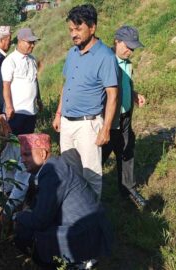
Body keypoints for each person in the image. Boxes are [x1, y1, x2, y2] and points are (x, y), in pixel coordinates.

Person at [51, 4, 119, 200]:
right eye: (71, 30)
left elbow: (112, 95)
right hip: (67, 123)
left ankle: (92, 216)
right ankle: (74, 208)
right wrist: (58, 113)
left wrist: (105, 129)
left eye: (78, 29)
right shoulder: (72, 53)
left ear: (93, 27)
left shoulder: (105, 57)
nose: (74, 34)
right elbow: (67, 85)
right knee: (70, 171)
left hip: (88, 124)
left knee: (91, 173)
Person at [14, 134, 112, 268]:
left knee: (27, 233)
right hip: (90, 227)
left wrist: (18, 216)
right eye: (22, 156)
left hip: (83, 234)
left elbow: (40, 221)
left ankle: (79, 262)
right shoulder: (54, 165)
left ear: (42, 153)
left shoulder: (51, 172)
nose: (22, 160)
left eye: (27, 155)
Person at [102, 25, 147, 207]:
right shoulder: (105, 61)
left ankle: (128, 189)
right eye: (127, 46)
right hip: (108, 120)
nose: (130, 51)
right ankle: (88, 194)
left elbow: (124, 85)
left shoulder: (127, 63)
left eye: (133, 48)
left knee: (126, 151)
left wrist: (134, 95)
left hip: (126, 116)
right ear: (117, 41)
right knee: (99, 157)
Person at [1, 28, 43, 135]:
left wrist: (39, 99)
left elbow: (35, 80)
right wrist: (9, 107)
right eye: (30, 42)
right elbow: (6, 86)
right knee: (15, 143)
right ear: (20, 41)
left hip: (31, 111)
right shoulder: (10, 61)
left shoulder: (32, 59)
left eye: (33, 43)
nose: (32, 45)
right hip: (17, 112)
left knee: (28, 142)